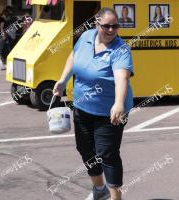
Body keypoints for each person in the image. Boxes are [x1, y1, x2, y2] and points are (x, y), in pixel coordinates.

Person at [53, 7, 134, 200]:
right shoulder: (86, 37)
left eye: (115, 26)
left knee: (108, 154)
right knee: (85, 149)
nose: (111, 30)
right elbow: (73, 57)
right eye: (106, 26)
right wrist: (63, 80)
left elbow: (121, 78)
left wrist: (118, 103)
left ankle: (116, 198)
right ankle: (100, 190)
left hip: (110, 112)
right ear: (96, 24)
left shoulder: (120, 49)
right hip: (82, 107)